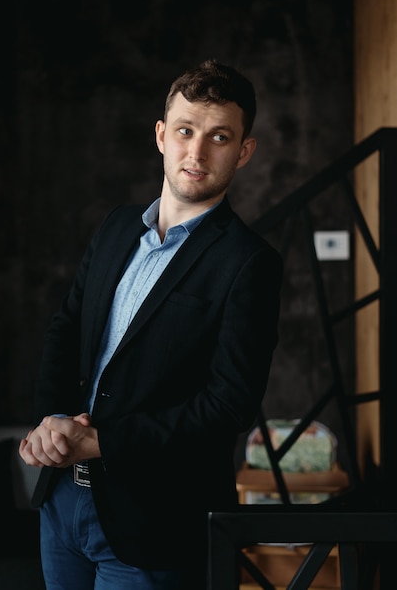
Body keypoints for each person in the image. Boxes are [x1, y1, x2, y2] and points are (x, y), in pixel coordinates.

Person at [19, 59, 283, 590]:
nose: (198, 152)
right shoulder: (117, 227)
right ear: (162, 135)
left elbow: (228, 403)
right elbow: (66, 328)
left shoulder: (249, 263)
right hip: (63, 499)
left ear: (244, 151)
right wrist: (51, 422)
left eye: (220, 137)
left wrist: (105, 443)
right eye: (186, 131)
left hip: (153, 522)